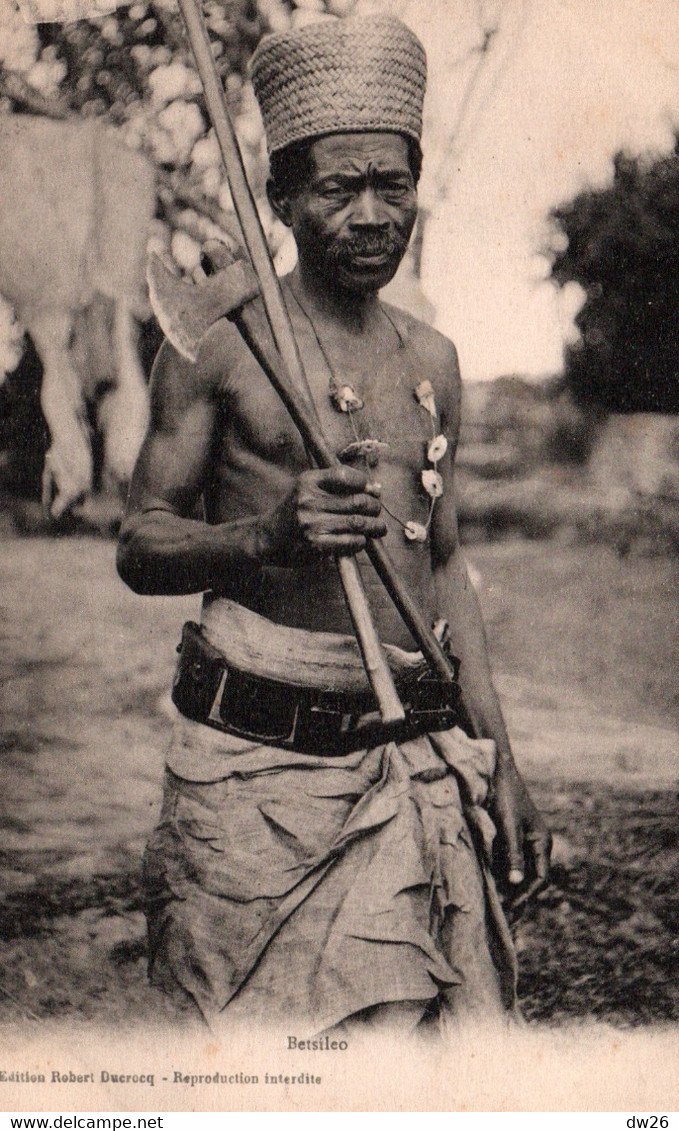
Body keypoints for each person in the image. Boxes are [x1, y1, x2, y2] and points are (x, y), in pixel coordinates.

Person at [117, 13, 551, 1036]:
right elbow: (140, 543)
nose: (369, 215)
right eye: (335, 188)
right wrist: (261, 539)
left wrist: (502, 761)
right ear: (279, 198)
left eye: (390, 186)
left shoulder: (432, 359)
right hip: (256, 795)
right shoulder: (219, 348)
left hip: (416, 765)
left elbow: (443, 566)